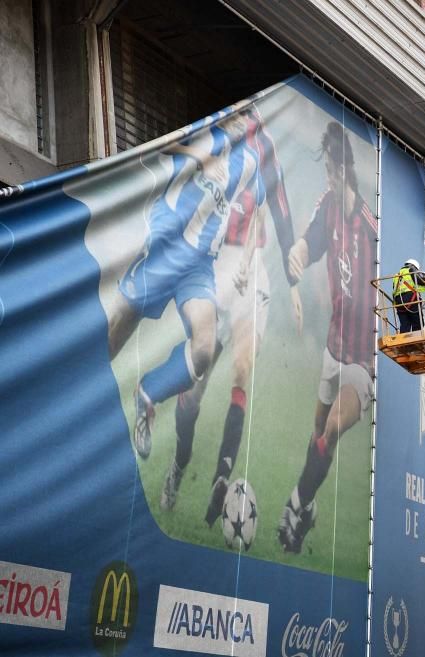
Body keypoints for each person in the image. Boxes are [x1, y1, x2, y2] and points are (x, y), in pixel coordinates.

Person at [105, 106, 291, 461]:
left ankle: (147, 394)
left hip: (199, 265)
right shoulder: (204, 132)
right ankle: (77, 401)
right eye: (237, 115)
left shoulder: (251, 159)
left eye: (247, 117)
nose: (241, 121)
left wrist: (249, 258)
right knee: (116, 332)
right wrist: (199, 158)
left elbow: (261, 212)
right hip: (165, 244)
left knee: (204, 348)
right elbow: (156, 148)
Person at [156, 107, 303, 519]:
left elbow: (276, 209)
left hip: (251, 270)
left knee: (242, 368)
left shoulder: (266, 143)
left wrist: (290, 284)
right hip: (213, 266)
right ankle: (179, 466)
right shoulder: (215, 128)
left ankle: (222, 478)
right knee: (197, 385)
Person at [276, 120, 377, 553]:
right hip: (332, 349)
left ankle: (294, 505)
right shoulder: (327, 207)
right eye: (327, 172)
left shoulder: (372, 230)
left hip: (363, 361)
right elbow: (307, 243)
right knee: (317, 435)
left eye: (335, 172)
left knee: (333, 426)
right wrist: (296, 257)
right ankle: (310, 509)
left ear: (347, 171)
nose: (330, 179)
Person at [392, 258, 425, 333]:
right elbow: (420, 281)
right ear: (413, 266)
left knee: (405, 325)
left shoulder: (396, 275)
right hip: (410, 298)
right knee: (418, 322)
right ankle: (416, 339)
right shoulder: (411, 270)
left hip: (398, 301)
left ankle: (403, 341)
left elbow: (396, 288)